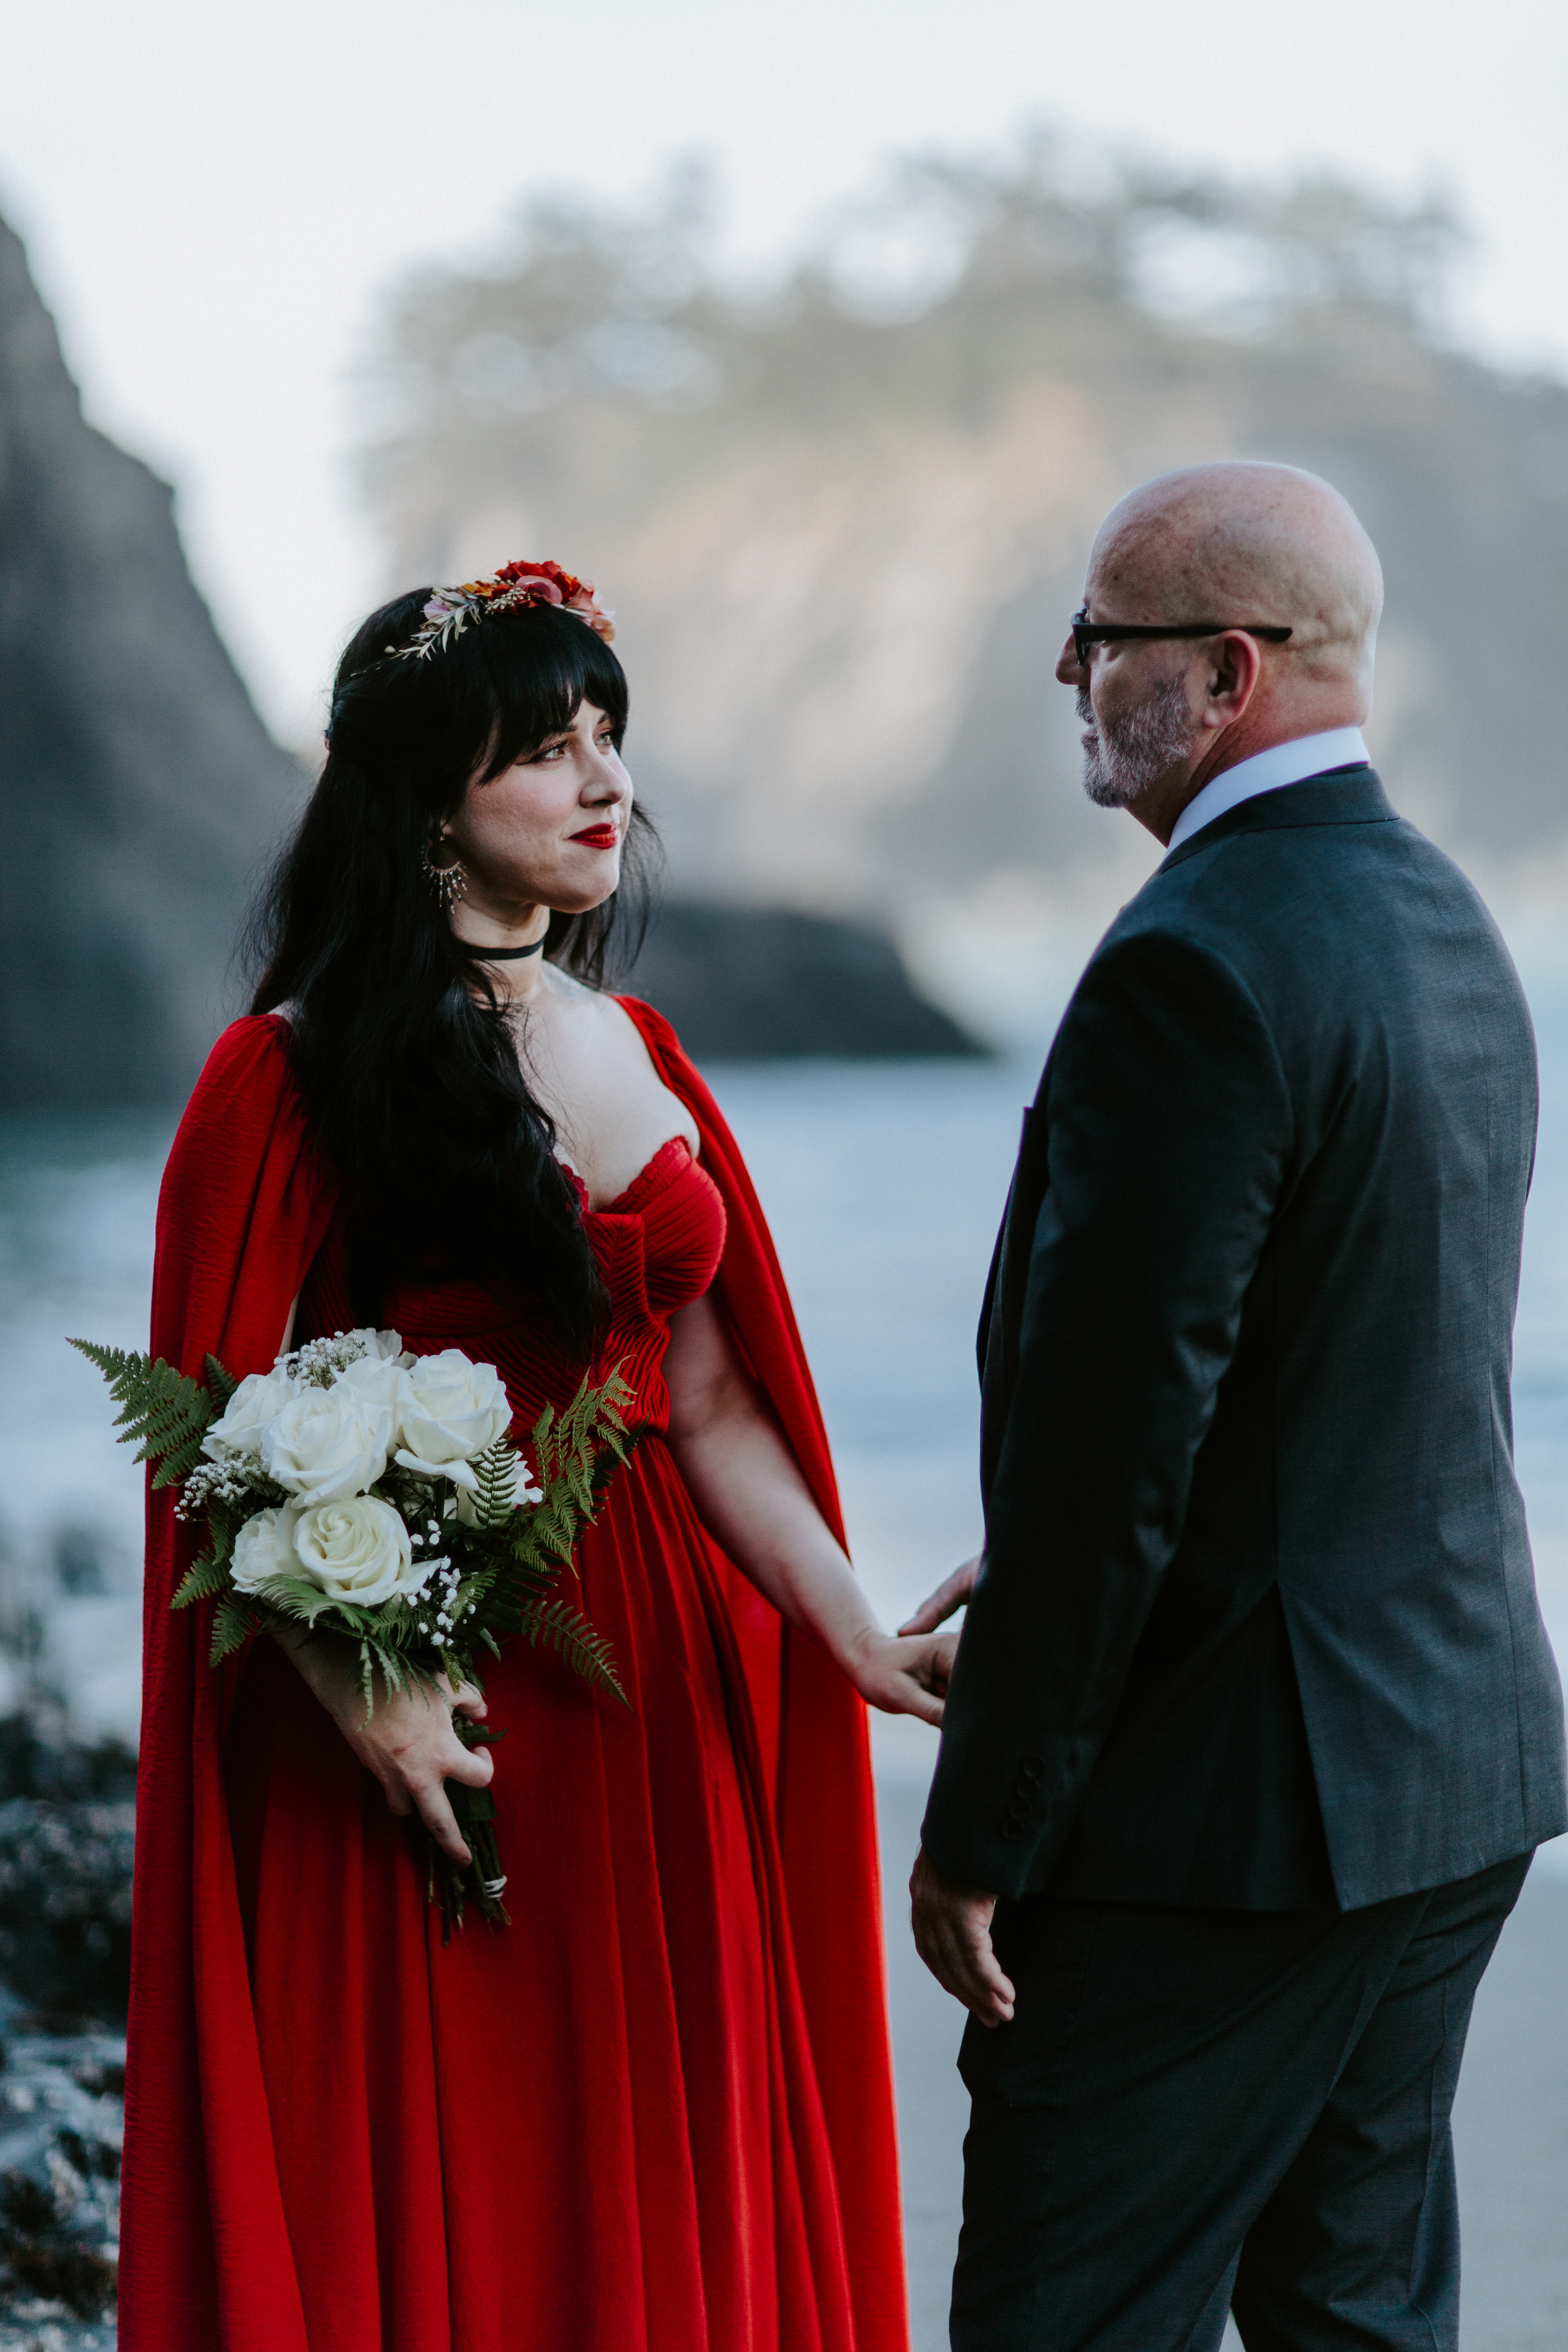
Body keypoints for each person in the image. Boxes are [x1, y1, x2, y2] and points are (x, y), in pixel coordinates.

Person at [122, 559, 952, 2352]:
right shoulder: (278, 1077)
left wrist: (850, 1628)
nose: (603, 785)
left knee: (666, 2165)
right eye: (543, 750)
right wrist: (371, 1688)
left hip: (664, 1674)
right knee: (466, 2183)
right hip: (442, 1690)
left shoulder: (641, 1046)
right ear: (430, 798)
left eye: (607, 738)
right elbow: (213, 1436)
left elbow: (715, 1404)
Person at [904, 463, 1568, 2351]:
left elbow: (1121, 1459)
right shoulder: (1451, 924)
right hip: (1454, 1776)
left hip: (1234, 1822)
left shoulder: (1194, 963)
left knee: (1070, 2318)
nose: (1066, 669)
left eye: (1103, 640)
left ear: (1225, 672)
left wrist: (986, 1829)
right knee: (1354, 2320)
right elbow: (1353, 1365)